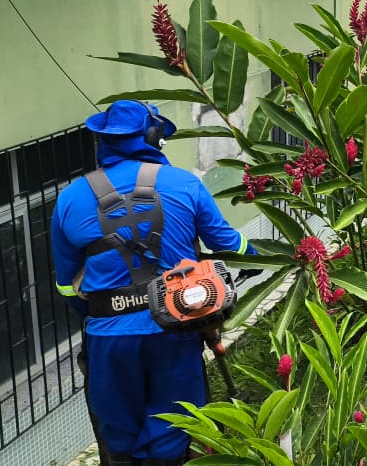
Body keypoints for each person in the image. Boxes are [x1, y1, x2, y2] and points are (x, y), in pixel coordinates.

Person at [52, 100, 252, 466]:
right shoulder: (185, 184)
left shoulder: (69, 199)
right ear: (152, 137)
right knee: (173, 430)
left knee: (118, 439)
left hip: (108, 339)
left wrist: (101, 315)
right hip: (174, 332)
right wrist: (258, 255)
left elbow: (67, 285)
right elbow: (229, 244)